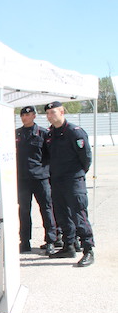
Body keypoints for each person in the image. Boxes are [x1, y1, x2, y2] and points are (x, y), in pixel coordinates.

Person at [44, 101, 95, 266]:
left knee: (79, 214)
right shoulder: (50, 134)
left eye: (53, 112)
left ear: (61, 112)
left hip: (73, 180)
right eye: (48, 113)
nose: (50, 116)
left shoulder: (74, 132)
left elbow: (86, 157)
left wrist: (78, 174)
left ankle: (88, 249)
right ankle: (68, 246)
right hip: (57, 180)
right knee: (61, 215)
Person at [15, 106, 58, 254]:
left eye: (27, 114)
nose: (24, 117)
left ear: (34, 116)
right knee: (24, 211)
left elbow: (51, 156)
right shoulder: (17, 134)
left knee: (46, 209)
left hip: (40, 178)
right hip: (23, 179)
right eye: (22, 115)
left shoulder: (44, 133)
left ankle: (51, 241)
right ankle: (25, 241)